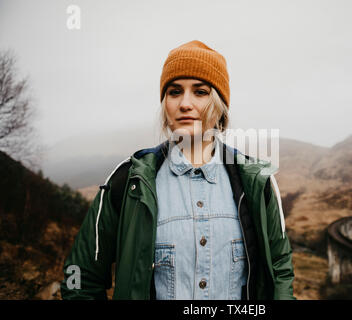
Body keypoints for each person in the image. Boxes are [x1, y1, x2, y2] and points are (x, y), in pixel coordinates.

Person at [61, 40, 295, 300]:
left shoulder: (256, 182)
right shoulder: (128, 182)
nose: (185, 103)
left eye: (200, 92)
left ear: (220, 105)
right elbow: (80, 279)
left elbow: (280, 273)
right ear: (165, 104)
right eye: (174, 91)